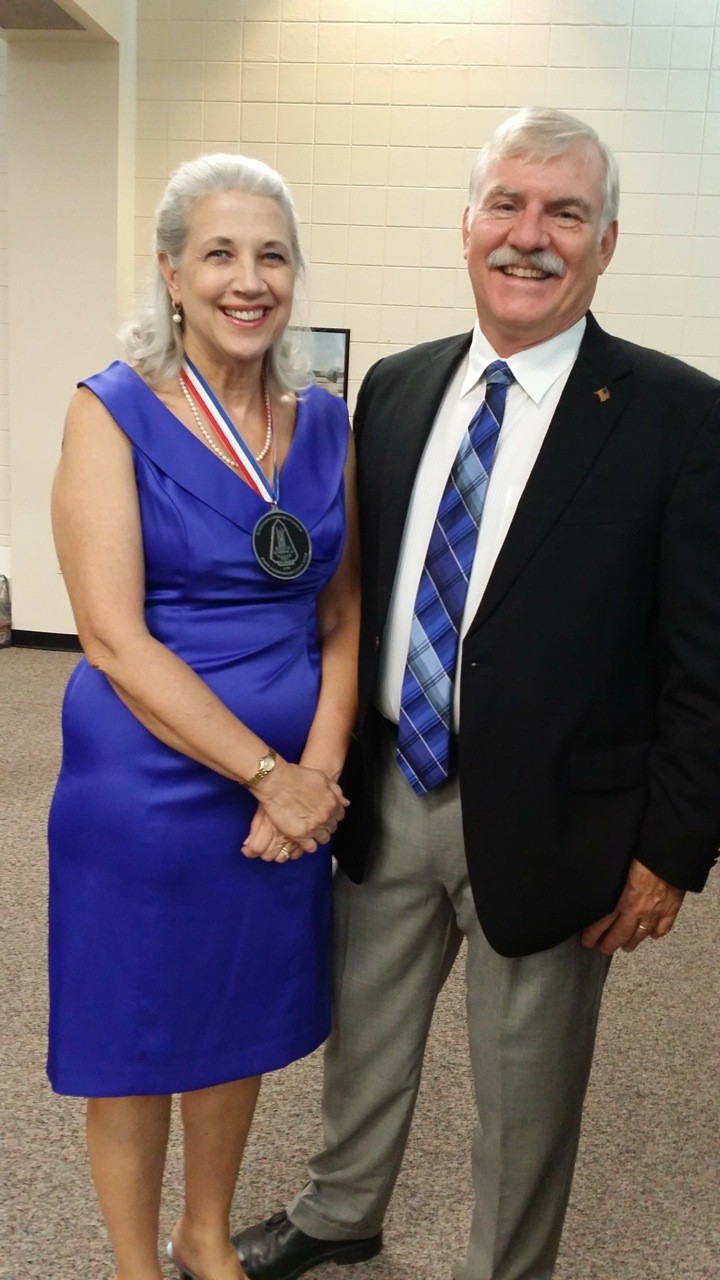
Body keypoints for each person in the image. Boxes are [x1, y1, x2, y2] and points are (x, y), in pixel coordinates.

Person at [233, 108, 720, 1280]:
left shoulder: (680, 415)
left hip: (564, 814)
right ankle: (340, 1209)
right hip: (391, 776)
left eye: (565, 213)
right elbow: (352, 597)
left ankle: (505, 1265)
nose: (530, 236)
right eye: (506, 203)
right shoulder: (397, 388)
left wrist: (672, 846)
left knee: (527, 1074)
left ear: (607, 243)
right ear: (466, 225)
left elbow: (709, 655)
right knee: (365, 1035)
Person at [47, 153, 360, 1280]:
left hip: (287, 794)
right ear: (172, 273)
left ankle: (205, 1233)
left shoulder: (324, 422)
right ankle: (138, 1262)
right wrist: (267, 770)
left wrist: (316, 773)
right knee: (136, 1035)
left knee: (233, 1018)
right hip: (146, 783)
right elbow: (112, 636)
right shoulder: (112, 411)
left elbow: (343, 609)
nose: (249, 278)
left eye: (271, 254)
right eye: (220, 253)